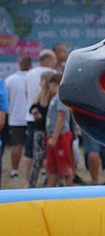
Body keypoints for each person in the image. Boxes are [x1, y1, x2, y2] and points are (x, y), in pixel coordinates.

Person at [20, 50, 58, 183]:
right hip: (48, 126)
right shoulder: (53, 74)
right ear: (47, 60)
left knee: (30, 152)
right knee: (46, 154)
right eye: (54, 60)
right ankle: (46, 179)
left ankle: (28, 181)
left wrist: (34, 111)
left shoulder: (29, 74)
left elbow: (26, 95)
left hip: (32, 121)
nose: (55, 63)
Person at [44, 73, 74, 187]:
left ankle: (68, 192)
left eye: (50, 85)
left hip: (60, 135)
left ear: (54, 84)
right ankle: (50, 192)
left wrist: (55, 137)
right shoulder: (54, 98)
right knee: (52, 167)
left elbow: (61, 117)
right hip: (53, 135)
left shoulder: (61, 97)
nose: (49, 88)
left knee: (65, 166)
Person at [5, 56, 31, 179]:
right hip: (33, 117)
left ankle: (14, 171)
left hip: (16, 118)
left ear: (18, 64)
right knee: (36, 146)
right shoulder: (33, 77)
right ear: (30, 65)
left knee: (17, 145)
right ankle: (41, 169)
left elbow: (5, 99)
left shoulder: (10, 80)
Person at [28, 71, 55, 188]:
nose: (40, 83)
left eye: (42, 80)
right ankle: (31, 183)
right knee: (37, 158)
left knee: (46, 158)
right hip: (39, 130)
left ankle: (47, 182)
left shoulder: (53, 97)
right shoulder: (40, 95)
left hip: (48, 131)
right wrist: (35, 111)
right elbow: (33, 106)